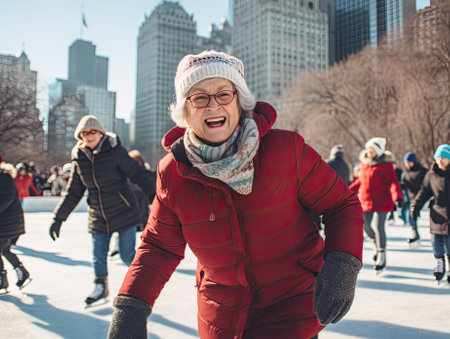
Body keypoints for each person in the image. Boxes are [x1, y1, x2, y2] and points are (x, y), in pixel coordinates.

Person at [108, 50, 364, 339]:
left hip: (292, 305)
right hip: (221, 316)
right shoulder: (173, 173)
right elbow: (159, 247)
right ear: (185, 111)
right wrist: (131, 307)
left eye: (223, 94)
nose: (213, 105)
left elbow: (341, 205)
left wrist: (343, 263)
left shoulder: (286, 150)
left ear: (239, 101)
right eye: (199, 97)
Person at [48, 115, 156, 305]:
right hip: (98, 214)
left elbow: (138, 175)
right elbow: (73, 191)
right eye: (85, 133)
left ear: (100, 133)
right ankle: (101, 287)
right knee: (98, 256)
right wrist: (58, 218)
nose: (89, 136)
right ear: (80, 136)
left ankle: (143, 284)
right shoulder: (79, 158)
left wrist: (154, 200)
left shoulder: (115, 151)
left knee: (127, 255)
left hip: (124, 211)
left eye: (92, 132)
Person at [349, 137, 403, 273]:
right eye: (368, 148)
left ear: (378, 151)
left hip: (382, 201)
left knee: (379, 226)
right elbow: (360, 181)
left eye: (372, 149)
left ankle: (381, 254)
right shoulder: (364, 163)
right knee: (365, 225)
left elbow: (393, 182)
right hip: (365, 200)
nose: (369, 151)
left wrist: (397, 197)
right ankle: (375, 244)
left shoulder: (386, 165)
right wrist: (346, 191)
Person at [410, 144, 449, 283]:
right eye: (438, 158)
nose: (440, 161)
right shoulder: (431, 174)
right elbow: (424, 191)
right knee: (436, 242)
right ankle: (440, 263)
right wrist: (415, 206)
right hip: (437, 213)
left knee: (449, 244)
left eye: (444, 158)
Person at [109, 150, 156, 258]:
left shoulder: (146, 175)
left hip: (143, 206)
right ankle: (117, 248)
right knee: (123, 229)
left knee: (146, 230)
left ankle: (148, 250)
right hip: (127, 207)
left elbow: (153, 187)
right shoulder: (122, 177)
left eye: (136, 161)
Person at [0, 155, 31, 293]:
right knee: (5, 250)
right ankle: (22, 272)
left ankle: (2, 281)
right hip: (6, 223)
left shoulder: (4, 178)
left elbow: (5, 199)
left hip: (8, 224)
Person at [402, 152, 428, 245]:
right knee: (411, 217)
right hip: (412, 199)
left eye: (409, 162)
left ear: (414, 162)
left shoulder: (422, 172)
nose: (407, 164)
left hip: (424, 197)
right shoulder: (406, 173)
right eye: (406, 162)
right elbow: (405, 185)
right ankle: (415, 235)